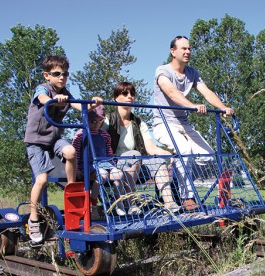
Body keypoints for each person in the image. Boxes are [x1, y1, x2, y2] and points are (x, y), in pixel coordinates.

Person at [24, 55, 102, 242]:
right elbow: (42, 98)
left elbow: (78, 106)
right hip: (36, 140)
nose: (62, 77)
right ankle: (33, 219)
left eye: (65, 74)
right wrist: (52, 99)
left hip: (54, 138)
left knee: (71, 152)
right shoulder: (43, 89)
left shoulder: (66, 92)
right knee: (41, 180)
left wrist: (93, 103)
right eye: (57, 74)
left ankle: (71, 185)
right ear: (47, 75)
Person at [153, 35, 234, 211]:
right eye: (183, 48)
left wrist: (223, 107)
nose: (188, 51)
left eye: (189, 48)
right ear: (172, 51)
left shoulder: (192, 73)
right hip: (164, 123)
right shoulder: (163, 71)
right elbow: (172, 92)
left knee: (208, 155)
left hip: (183, 124)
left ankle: (175, 176)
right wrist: (192, 106)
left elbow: (206, 92)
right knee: (184, 150)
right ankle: (187, 197)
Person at [106, 82, 181, 213]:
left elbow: (151, 148)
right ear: (116, 97)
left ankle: (170, 203)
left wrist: (170, 154)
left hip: (136, 163)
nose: (130, 96)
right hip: (115, 164)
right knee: (134, 154)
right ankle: (131, 204)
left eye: (132, 94)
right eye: (125, 93)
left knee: (158, 162)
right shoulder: (108, 120)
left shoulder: (139, 123)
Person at [71, 105, 126, 218]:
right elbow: (75, 153)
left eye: (100, 121)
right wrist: (76, 170)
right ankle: (94, 204)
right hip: (88, 165)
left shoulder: (104, 135)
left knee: (118, 174)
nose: (96, 124)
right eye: (93, 121)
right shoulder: (80, 135)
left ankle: (118, 203)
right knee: (102, 175)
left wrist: (113, 164)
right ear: (87, 120)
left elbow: (109, 151)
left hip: (104, 163)